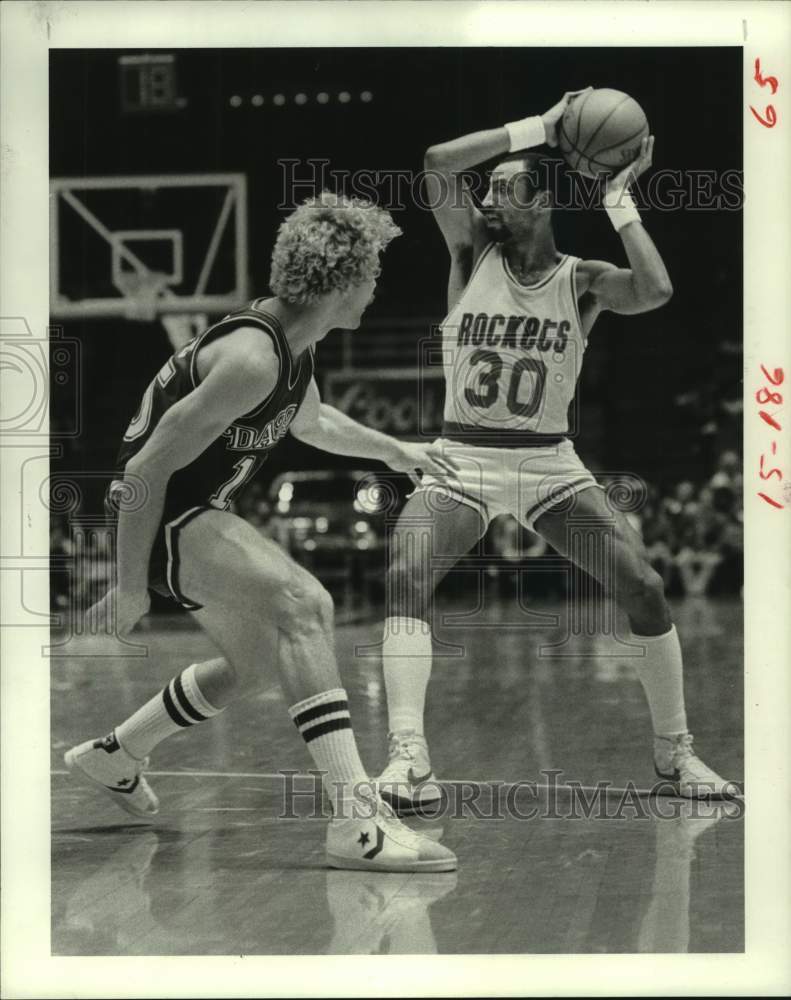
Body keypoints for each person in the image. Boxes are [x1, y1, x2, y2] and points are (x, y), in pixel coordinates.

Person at [65, 193, 457, 873]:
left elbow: (313, 423)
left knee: (250, 666)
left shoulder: (293, 346)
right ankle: (354, 822)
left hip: (187, 509)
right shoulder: (251, 357)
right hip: (159, 511)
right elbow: (144, 468)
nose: (375, 288)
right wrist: (130, 587)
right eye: (370, 275)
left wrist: (396, 450)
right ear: (340, 283)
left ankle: (116, 754)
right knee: (304, 604)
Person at [375, 91, 736, 812]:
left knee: (645, 587)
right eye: (483, 191)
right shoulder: (469, 250)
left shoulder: (583, 280)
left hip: (546, 461)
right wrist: (542, 126)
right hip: (463, 456)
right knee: (405, 569)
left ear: (537, 202)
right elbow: (436, 162)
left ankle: (676, 755)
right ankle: (408, 758)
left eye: (500, 189)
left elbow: (657, 288)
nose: (482, 197)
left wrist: (618, 197)